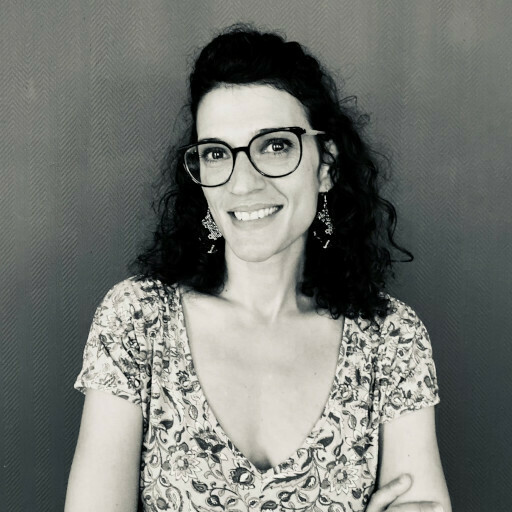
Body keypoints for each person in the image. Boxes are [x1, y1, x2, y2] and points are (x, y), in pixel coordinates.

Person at [65, 25, 451, 512]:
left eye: (274, 146)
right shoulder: (137, 320)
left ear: (326, 165)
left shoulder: (391, 339)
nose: (242, 184)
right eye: (217, 153)